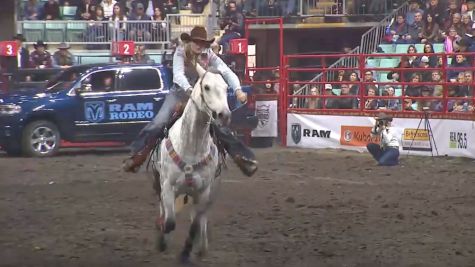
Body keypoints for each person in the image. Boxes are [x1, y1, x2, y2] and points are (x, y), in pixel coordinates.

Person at [122, 26, 258, 176]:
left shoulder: (209, 55)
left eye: (203, 43)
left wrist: (238, 89)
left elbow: (226, 71)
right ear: (190, 42)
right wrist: (189, 91)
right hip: (179, 94)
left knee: (219, 125)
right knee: (160, 122)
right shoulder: (180, 52)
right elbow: (178, 75)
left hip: (201, 95)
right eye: (196, 42)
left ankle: (241, 157)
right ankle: (138, 153)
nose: (199, 45)